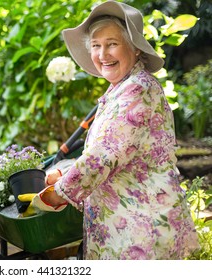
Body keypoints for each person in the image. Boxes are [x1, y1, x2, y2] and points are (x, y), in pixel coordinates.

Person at [20, 1, 199, 260]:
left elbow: (104, 156)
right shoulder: (120, 88)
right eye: (96, 46)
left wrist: (54, 196)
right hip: (123, 227)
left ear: (136, 49)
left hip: (141, 232)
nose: (103, 54)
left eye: (112, 44)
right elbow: (114, 152)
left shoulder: (139, 89)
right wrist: (63, 172)